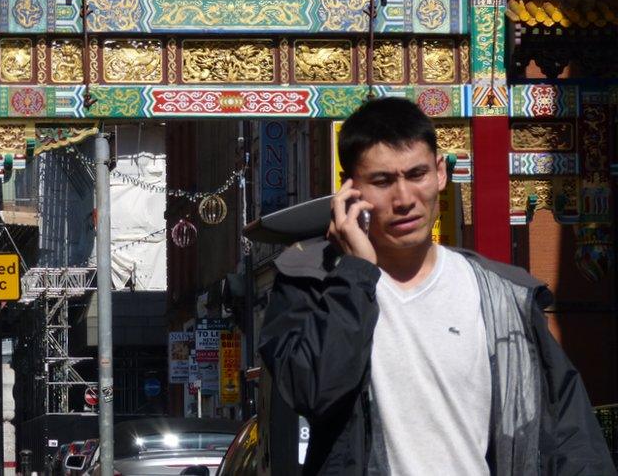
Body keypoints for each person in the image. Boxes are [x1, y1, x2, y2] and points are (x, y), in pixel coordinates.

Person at [259, 97, 616, 475]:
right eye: (382, 181)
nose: (404, 200)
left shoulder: (503, 295)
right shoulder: (311, 284)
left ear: (441, 173)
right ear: (350, 190)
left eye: (417, 175)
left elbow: (570, 435)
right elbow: (315, 392)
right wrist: (355, 273)